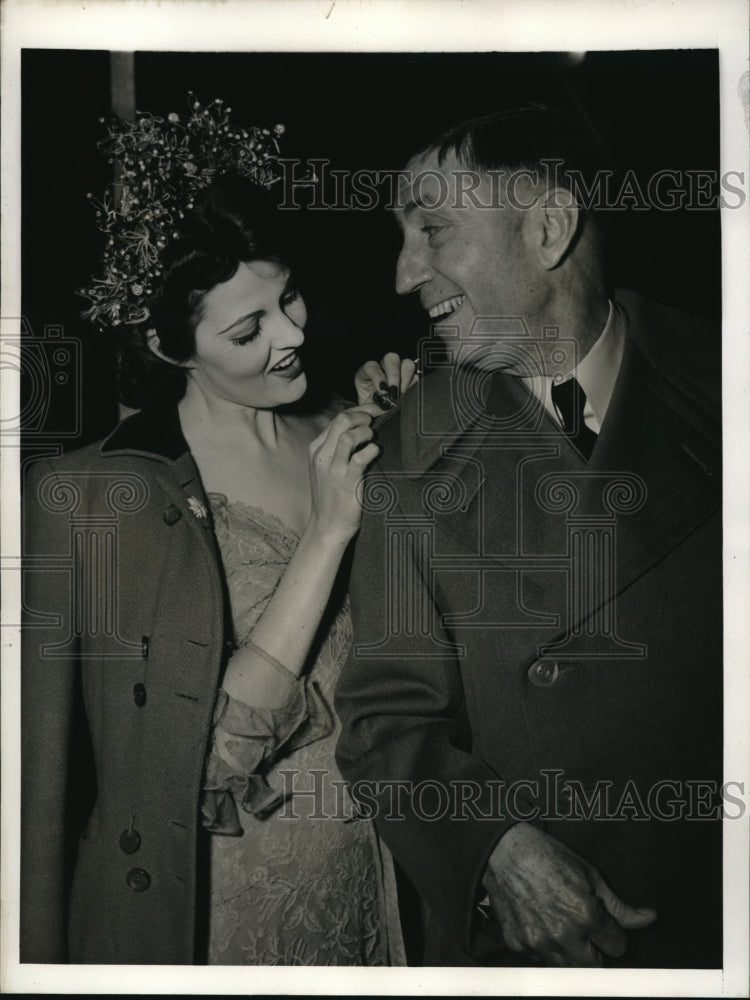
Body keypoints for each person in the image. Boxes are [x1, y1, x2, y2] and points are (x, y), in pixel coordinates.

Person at [20, 99, 414, 965]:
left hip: (373, 888)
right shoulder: (103, 495)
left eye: (290, 296)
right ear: (169, 349)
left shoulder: (347, 428)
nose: (294, 333)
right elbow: (194, 776)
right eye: (248, 328)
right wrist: (324, 540)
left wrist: (409, 430)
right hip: (224, 916)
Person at [335, 106, 722, 968]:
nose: (405, 275)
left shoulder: (727, 385)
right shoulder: (408, 448)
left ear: (548, 229)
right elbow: (385, 721)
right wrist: (494, 850)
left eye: (433, 229)